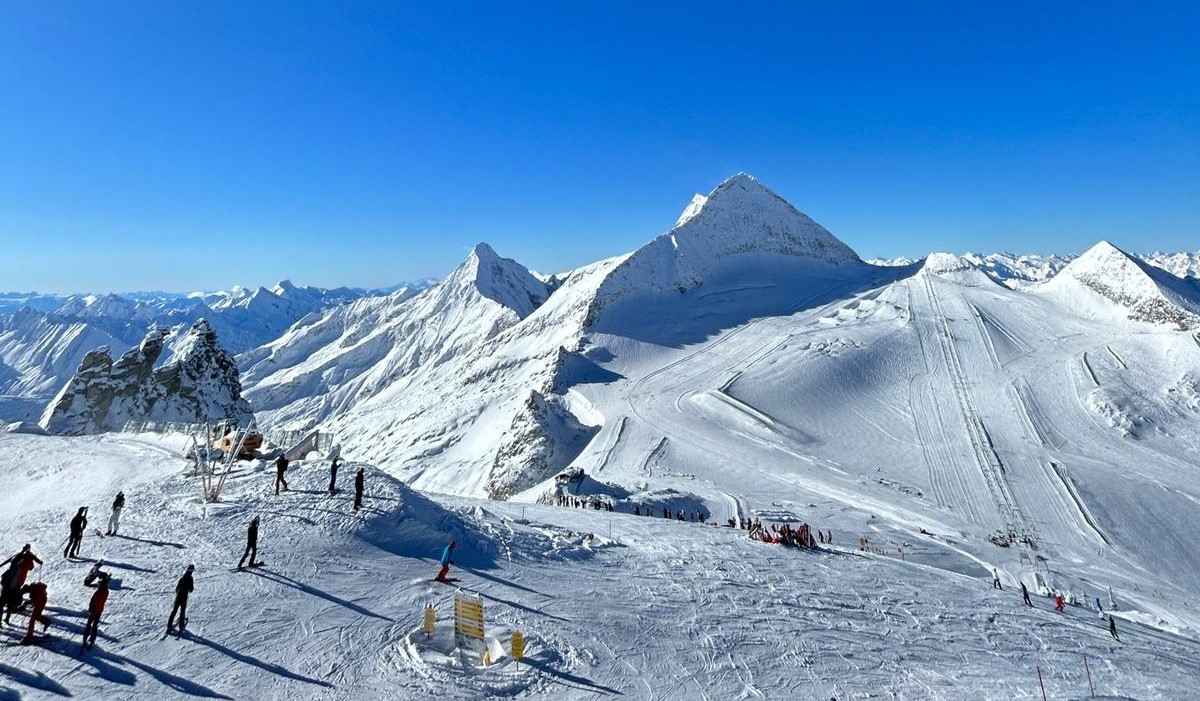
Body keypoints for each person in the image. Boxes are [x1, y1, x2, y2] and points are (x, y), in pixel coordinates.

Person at [82, 572, 109, 651]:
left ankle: (86, 640)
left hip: (94, 611)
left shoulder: (100, 591)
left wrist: (91, 609)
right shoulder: (105, 591)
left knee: (89, 625)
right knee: (94, 626)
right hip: (98, 611)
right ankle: (91, 640)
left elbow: (94, 601)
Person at [167, 565, 194, 633]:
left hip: (178, 597)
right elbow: (191, 590)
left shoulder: (182, 577)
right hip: (184, 598)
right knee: (182, 611)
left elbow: (177, 588)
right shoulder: (190, 579)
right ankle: (181, 626)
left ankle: (169, 625)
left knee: (174, 611)